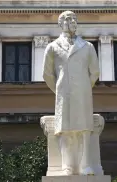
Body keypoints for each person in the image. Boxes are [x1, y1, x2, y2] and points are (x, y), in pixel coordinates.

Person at [42, 10, 100, 176]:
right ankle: (67, 166)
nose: (72, 22)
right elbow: (47, 74)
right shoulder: (52, 47)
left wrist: (83, 87)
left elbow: (94, 72)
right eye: (68, 19)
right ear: (60, 24)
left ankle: (86, 165)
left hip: (82, 92)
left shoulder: (87, 47)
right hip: (63, 93)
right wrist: (59, 89)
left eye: (74, 19)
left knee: (85, 129)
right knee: (65, 129)